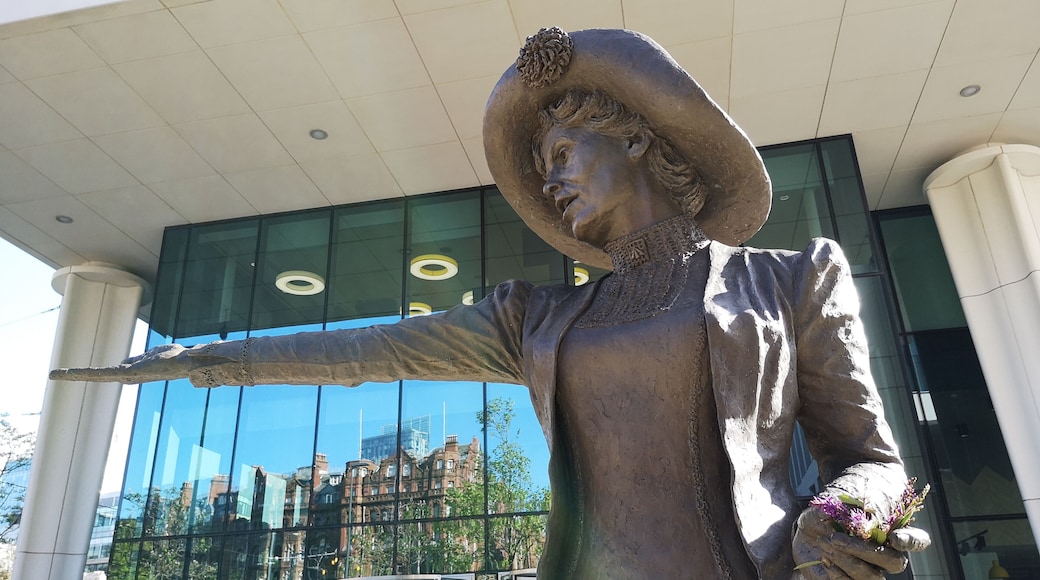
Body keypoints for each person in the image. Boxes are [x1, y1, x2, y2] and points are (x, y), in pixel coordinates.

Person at [53, 28, 929, 579]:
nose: (548, 182)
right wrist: (213, 358)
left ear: (635, 134)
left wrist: (839, 520)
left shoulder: (790, 278)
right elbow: (374, 351)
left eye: (560, 148)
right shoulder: (538, 320)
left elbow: (870, 456)